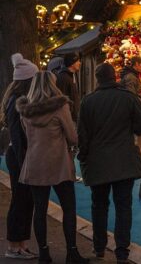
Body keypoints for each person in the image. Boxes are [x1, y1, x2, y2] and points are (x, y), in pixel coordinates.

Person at [78, 63, 141, 263]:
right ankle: (121, 251)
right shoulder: (128, 98)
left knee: (99, 205)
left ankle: (99, 248)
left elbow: (82, 135)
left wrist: (83, 156)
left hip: (98, 162)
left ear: (97, 79)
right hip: (123, 161)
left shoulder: (88, 101)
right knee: (123, 206)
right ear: (115, 78)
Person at [16, 71, 88, 263]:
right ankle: (72, 252)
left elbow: (26, 136)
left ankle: (44, 253)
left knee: (39, 210)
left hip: (34, 164)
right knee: (69, 208)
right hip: (59, 165)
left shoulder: (25, 110)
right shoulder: (60, 107)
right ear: (52, 85)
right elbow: (73, 137)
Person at [3, 54, 37, 259]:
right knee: (21, 199)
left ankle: (20, 244)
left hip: (18, 156)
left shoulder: (14, 99)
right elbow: (17, 136)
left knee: (24, 199)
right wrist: (25, 160)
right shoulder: (18, 102)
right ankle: (14, 245)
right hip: (19, 157)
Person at [55, 53, 81, 123]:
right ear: (72, 63)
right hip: (68, 118)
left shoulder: (71, 76)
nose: (79, 63)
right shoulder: (64, 78)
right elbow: (61, 98)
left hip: (72, 117)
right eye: (77, 61)